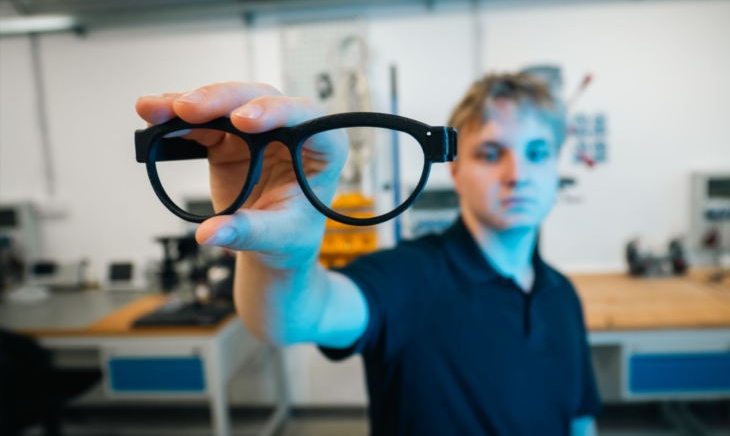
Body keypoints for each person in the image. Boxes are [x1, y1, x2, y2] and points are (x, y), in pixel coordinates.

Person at [135, 72, 600, 436]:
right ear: (455, 169)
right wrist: (281, 258)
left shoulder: (562, 296)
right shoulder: (412, 277)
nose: (517, 174)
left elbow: (580, 421)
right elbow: (298, 315)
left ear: (555, 167)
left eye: (537, 152)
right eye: (491, 153)